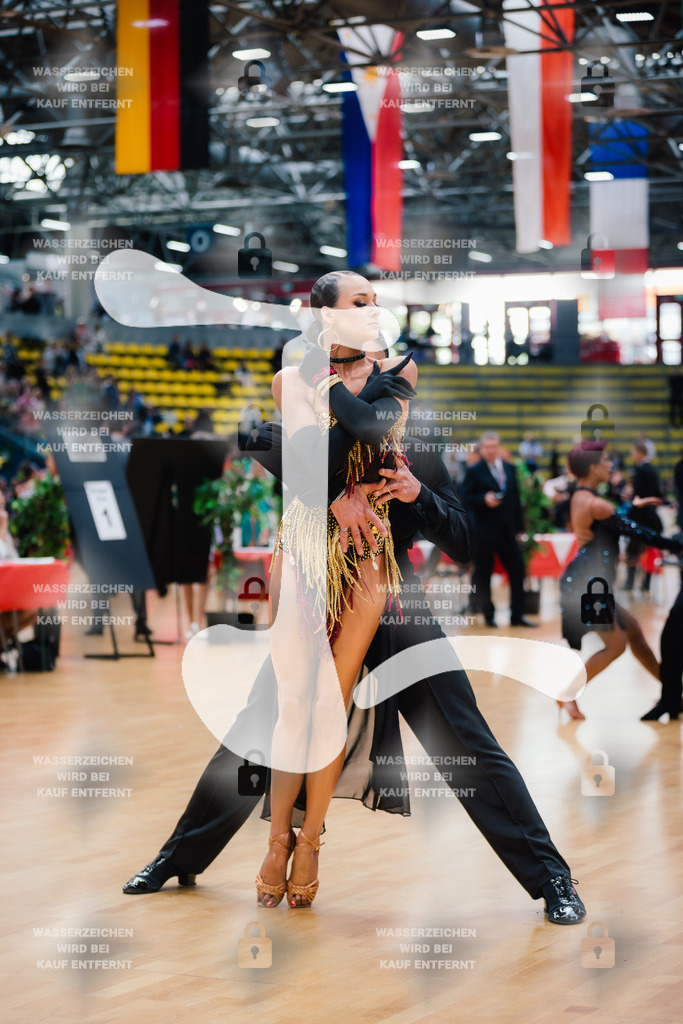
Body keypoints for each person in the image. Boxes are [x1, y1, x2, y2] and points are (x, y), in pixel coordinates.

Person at [123, 432, 587, 926]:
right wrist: (332, 491)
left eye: (373, 361)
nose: (361, 369)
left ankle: (551, 876)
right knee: (254, 731)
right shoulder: (320, 425)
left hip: (394, 602)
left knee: (465, 737)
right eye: (345, 360)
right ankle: (179, 858)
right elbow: (255, 434)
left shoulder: (418, 443)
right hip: (319, 598)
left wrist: (419, 495)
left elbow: (464, 541)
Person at [256, 270, 417, 907]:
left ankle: (314, 839)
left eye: (377, 301)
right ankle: (276, 840)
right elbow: (304, 464)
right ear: (324, 315)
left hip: (367, 551)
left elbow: (375, 432)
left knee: (332, 703)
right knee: (295, 701)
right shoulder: (284, 379)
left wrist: (325, 381)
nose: (374, 309)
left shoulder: (400, 368)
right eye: (359, 302)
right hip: (303, 541)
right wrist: (337, 493)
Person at [558, 442, 683, 720]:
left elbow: (616, 519)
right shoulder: (595, 503)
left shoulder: (581, 497)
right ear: (592, 467)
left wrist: (633, 506)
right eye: (605, 460)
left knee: (635, 632)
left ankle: (673, 693)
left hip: (588, 581)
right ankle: (568, 693)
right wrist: (677, 544)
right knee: (616, 646)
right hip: (589, 585)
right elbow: (641, 534)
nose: (610, 465)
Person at [460, 432, 536, 628]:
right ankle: (489, 615)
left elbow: (515, 500)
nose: (491, 450)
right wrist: (483, 499)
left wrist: (519, 528)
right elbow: (464, 496)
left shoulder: (509, 468)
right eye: (487, 447)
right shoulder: (474, 470)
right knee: (484, 575)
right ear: (482, 449)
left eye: (494, 446)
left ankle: (517, 615)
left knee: (517, 570)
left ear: (499, 447)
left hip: (507, 530)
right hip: (483, 532)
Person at [624, 442, 664, 594]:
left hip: (640, 518)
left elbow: (639, 495)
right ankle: (646, 584)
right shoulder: (653, 469)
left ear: (640, 452)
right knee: (649, 550)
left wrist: (633, 498)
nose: (631, 454)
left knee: (633, 551)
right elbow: (657, 493)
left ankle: (629, 583)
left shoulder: (640, 470)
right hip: (652, 516)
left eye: (633, 451)